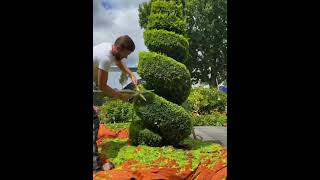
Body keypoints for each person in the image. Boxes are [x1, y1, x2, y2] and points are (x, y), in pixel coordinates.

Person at [93, 35, 138, 173]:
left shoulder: (111, 48)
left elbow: (118, 62)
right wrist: (121, 96)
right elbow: (102, 86)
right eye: (127, 54)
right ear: (118, 48)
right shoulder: (106, 57)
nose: (126, 57)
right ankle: (95, 166)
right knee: (93, 121)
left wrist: (131, 74)